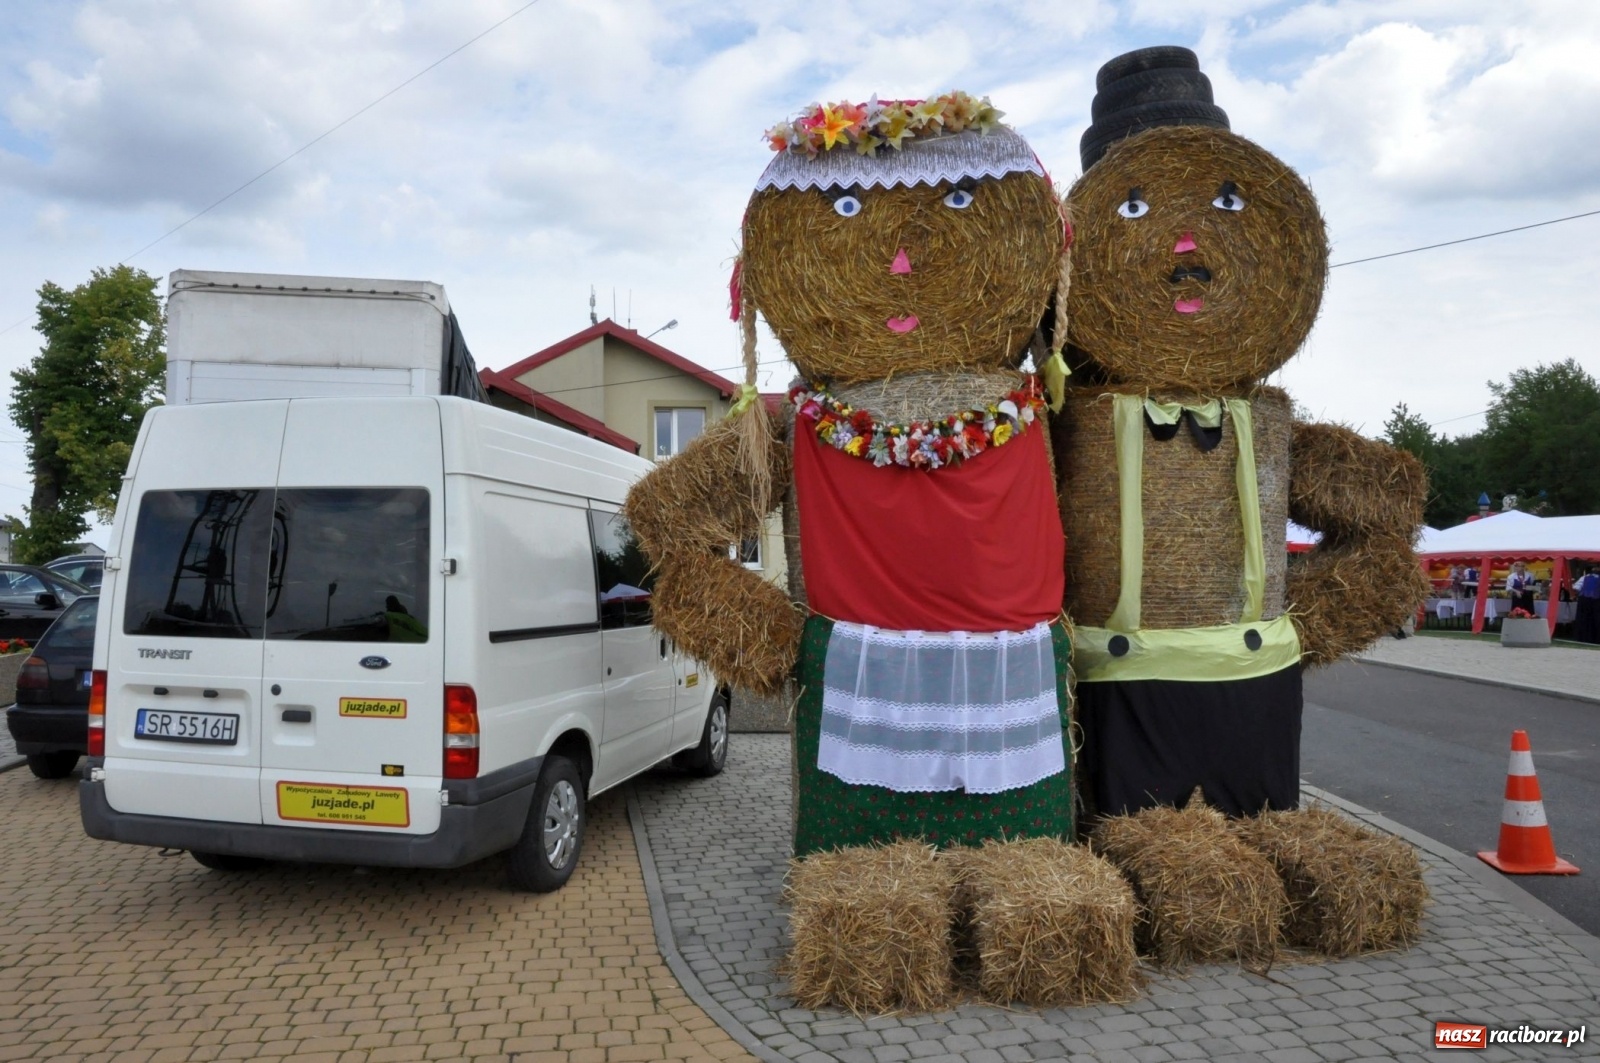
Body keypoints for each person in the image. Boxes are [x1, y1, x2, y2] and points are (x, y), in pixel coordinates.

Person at [1575, 566, 1600, 644]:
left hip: (1584, 601)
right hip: (1596, 601)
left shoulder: (1584, 577)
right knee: (1596, 620)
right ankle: (1596, 638)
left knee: (1584, 619)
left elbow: (1576, 588)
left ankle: (1583, 637)